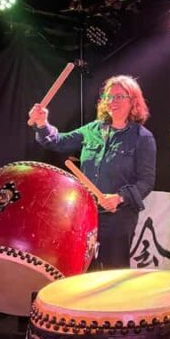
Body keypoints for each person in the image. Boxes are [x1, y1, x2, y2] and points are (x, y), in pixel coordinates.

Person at [28, 75, 156, 270]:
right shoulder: (92, 129)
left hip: (118, 217)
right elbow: (57, 142)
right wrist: (42, 124)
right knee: (83, 269)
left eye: (119, 96)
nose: (112, 101)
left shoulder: (142, 138)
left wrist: (119, 197)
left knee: (113, 272)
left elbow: (146, 182)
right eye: (108, 96)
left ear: (133, 101)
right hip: (86, 214)